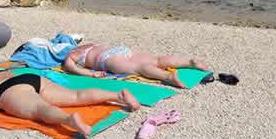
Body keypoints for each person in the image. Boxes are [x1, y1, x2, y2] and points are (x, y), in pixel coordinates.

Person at [0, 65, 140, 139]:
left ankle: (69, 120)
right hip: (28, 78)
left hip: (7, 91)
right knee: (76, 96)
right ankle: (118, 97)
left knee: (39, 109)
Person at [63, 44, 209, 89]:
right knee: (157, 60)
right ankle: (189, 62)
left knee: (139, 68)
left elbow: (70, 68)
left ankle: (168, 77)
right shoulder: (87, 44)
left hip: (106, 59)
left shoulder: (71, 54)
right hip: (120, 49)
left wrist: (91, 74)